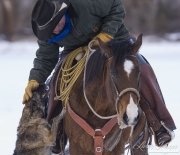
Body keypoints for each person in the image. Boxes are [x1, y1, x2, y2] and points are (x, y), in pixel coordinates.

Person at [22, 0, 176, 154]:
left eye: (56, 23)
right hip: (76, 50)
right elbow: (45, 57)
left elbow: (116, 6)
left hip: (115, 40)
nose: (54, 29)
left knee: (142, 69)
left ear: (62, 14)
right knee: (57, 80)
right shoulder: (45, 30)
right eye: (50, 28)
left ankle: (157, 123)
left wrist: (107, 32)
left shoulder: (84, 4)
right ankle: (56, 133)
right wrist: (35, 79)